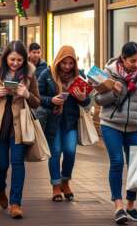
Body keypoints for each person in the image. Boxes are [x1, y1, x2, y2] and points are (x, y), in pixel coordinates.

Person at [0, 41, 41, 219]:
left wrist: (27, 94)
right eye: (12, 59)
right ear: (5, 57)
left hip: (19, 125)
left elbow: (37, 101)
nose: (15, 63)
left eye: (19, 60)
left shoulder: (29, 74)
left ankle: (15, 203)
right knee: (2, 165)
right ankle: (0, 189)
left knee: (18, 163)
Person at [93, 42, 137, 224]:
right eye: (132, 60)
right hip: (111, 124)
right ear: (122, 59)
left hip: (135, 126)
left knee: (135, 166)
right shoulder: (107, 73)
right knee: (117, 161)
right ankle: (118, 205)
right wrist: (114, 93)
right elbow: (98, 100)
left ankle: (131, 205)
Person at [37, 45, 91, 202]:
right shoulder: (47, 74)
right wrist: (51, 100)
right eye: (64, 63)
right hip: (52, 121)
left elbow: (87, 100)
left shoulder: (79, 75)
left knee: (70, 151)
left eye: (70, 63)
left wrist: (83, 98)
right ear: (58, 61)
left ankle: (65, 180)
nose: (67, 67)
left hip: (70, 121)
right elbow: (38, 97)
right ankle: (56, 186)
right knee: (55, 152)